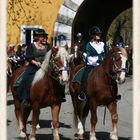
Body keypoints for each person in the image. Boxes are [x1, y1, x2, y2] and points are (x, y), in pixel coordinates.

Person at [17, 28, 50, 106]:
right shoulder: (31, 46)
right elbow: (28, 58)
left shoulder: (47, 46)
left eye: (44, 36)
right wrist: (36, 63)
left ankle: (60, 95)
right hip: (34, 66)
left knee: (56, 77)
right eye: (42, 36)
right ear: (37, 37)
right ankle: (25, 98)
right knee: (26, 78)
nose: (43, 38)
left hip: (46, 66)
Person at [78, 26, 106, 101]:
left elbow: (105, 54)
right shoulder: (88, 45)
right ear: (93, 35)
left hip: (102, 65)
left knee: (111, 75)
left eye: (99, 34)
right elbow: (87, 56)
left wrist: (103, 59)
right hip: (92, 65)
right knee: (85, 75)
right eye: (97, 34)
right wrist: (96, 60)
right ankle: (82, 92)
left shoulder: (103, 44)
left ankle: (114, 94)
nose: (99, 35)